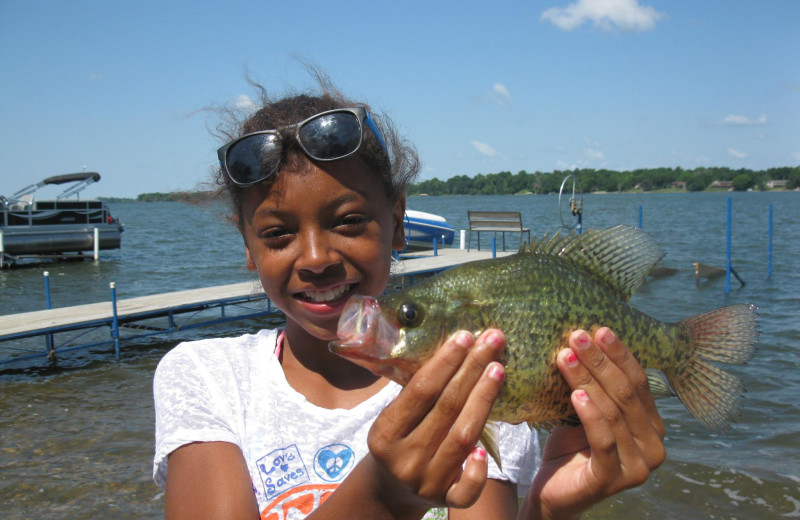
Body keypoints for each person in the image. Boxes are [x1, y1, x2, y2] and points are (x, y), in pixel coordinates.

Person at [153, 74, 666, 520]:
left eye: (349, 221)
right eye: (277, 234)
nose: (314, 257)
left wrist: (549, 510)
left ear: (397, 222)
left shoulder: (486, 392)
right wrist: (385, 494)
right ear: (247, 248)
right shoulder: (207, 378)